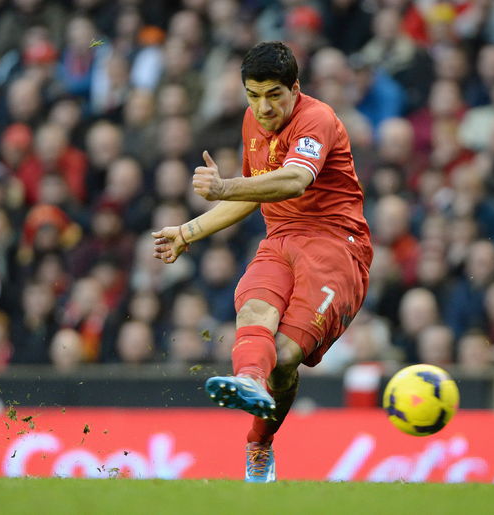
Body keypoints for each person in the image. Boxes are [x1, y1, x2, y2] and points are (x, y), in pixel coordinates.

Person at [151, 42, 373, 483]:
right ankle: (250, 382)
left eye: (273, 94)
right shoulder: (252, 120)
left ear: (295, 89)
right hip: (280, 239)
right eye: (253, 95)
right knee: (253, 312)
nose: (263, 107)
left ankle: (259, 443)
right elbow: (254, 192)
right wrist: (188, 231)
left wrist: (223, 187)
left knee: (286, 357)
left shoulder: (317, 118)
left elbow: (294, 180)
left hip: (334, 246)